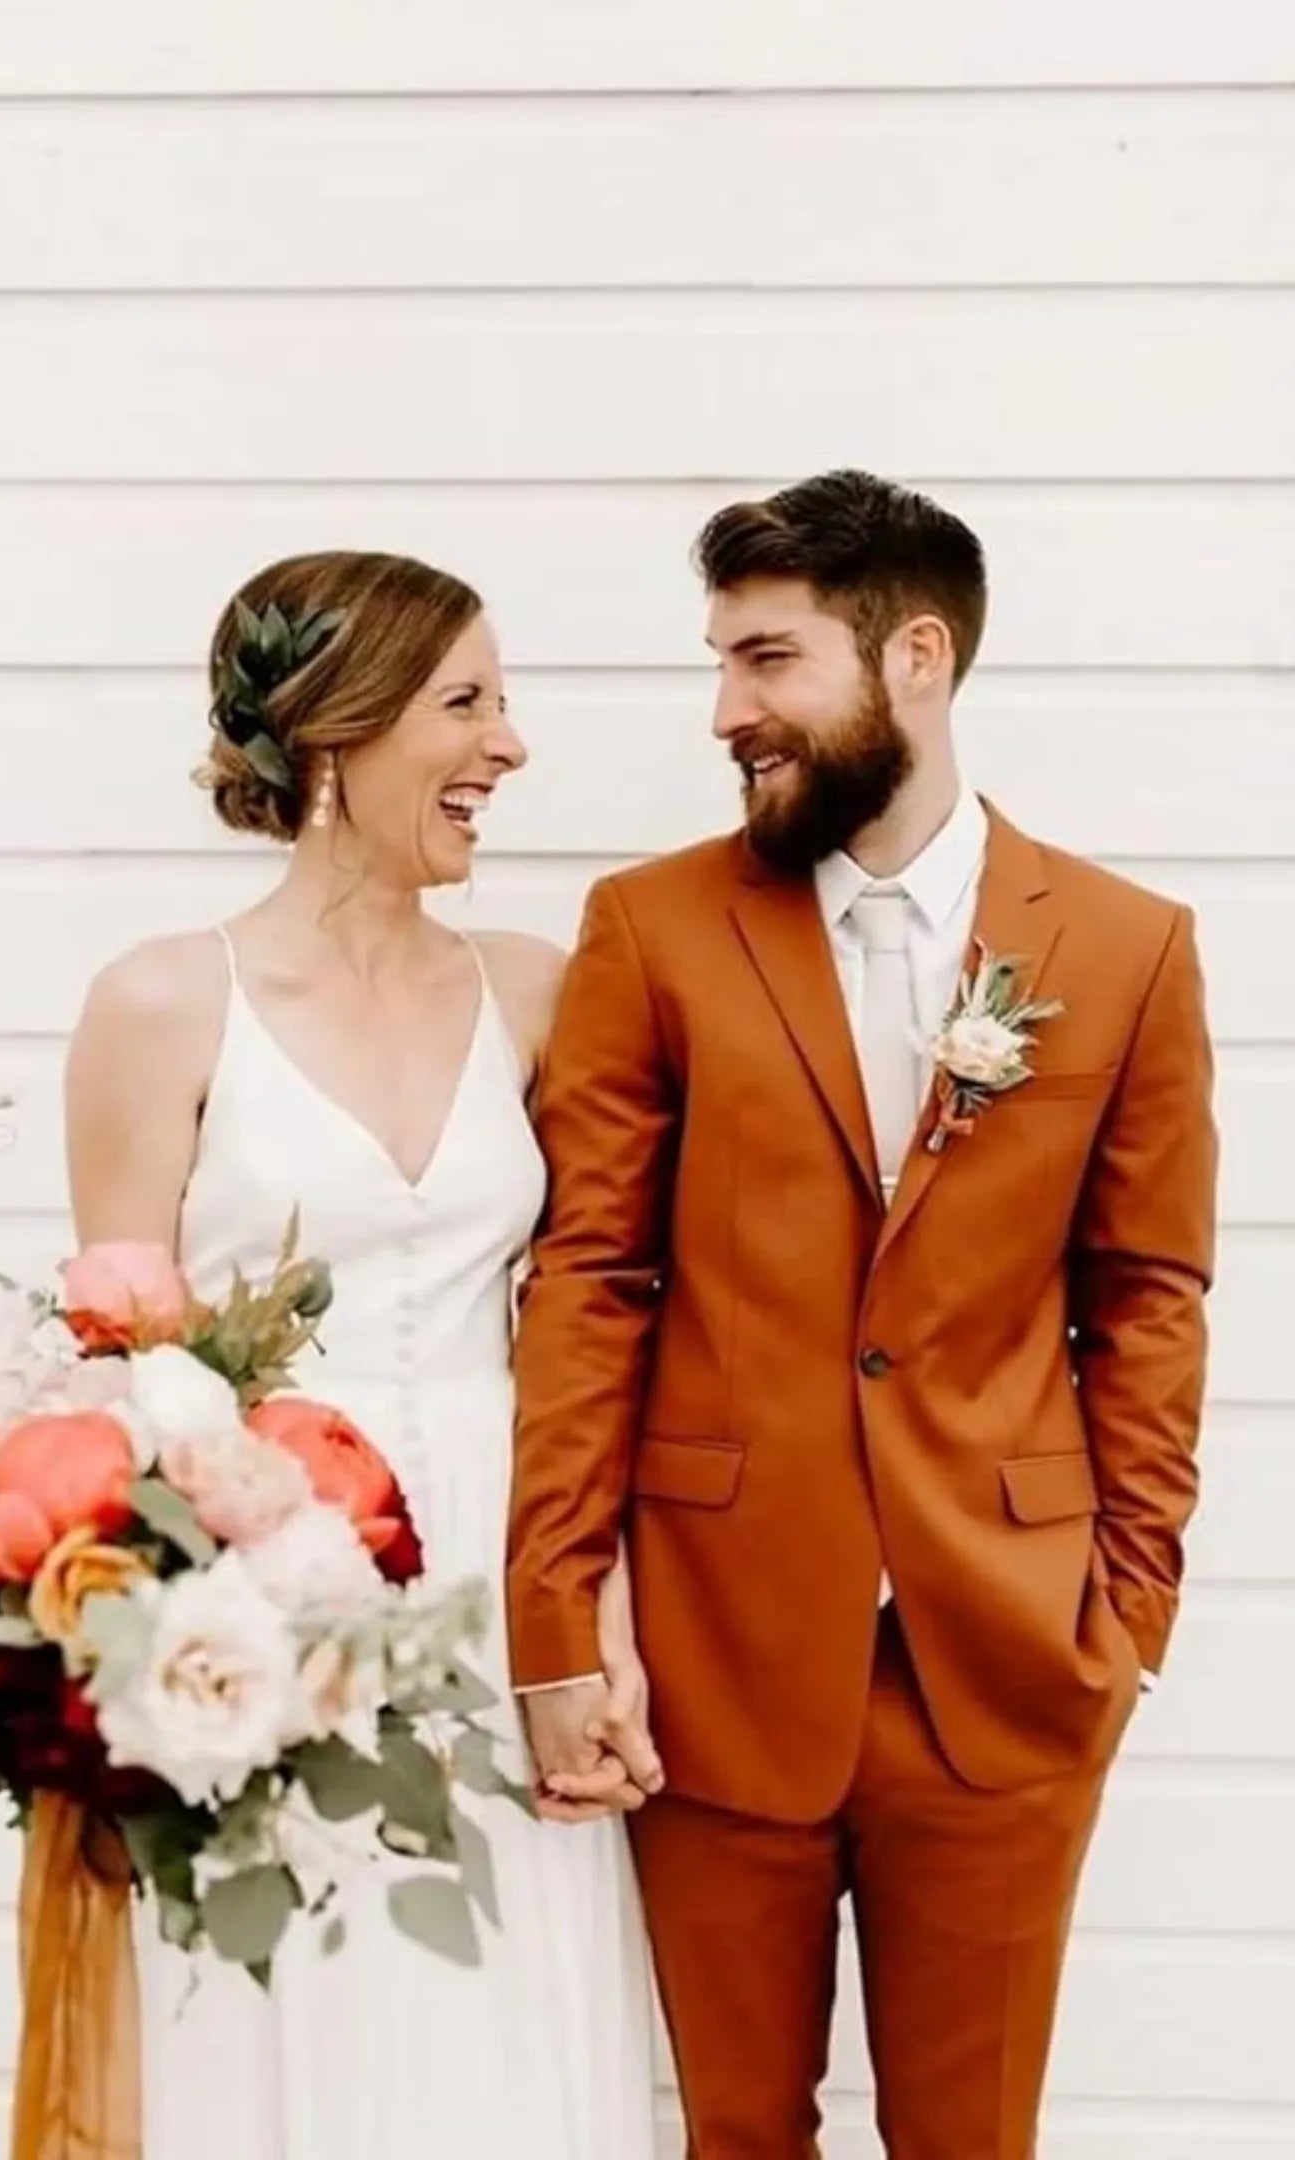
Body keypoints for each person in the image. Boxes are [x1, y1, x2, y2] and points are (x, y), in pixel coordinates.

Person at [508, 471, 1218, 2158]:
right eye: (718, 666)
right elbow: (589, 1282)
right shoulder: (653, 929)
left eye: (766, 663)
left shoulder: (1126, 947)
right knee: (737, 2134)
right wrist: (556, 1614)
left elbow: (1149, 1296)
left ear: (914, 658)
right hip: (712, 1652)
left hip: (1010, 1657)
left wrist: (1128, 1609)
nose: (725, 714)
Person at [64, 548, 659, 2160]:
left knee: (510, 2033)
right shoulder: (163, 1002)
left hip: (503, 1579)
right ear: (339, 732)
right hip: (266, 1598)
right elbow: (128, 1367)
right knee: (286, 2022)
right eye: (468, 704)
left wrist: (592, 1615)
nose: (510, 748)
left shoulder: (534, 991)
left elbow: (590, 1329)